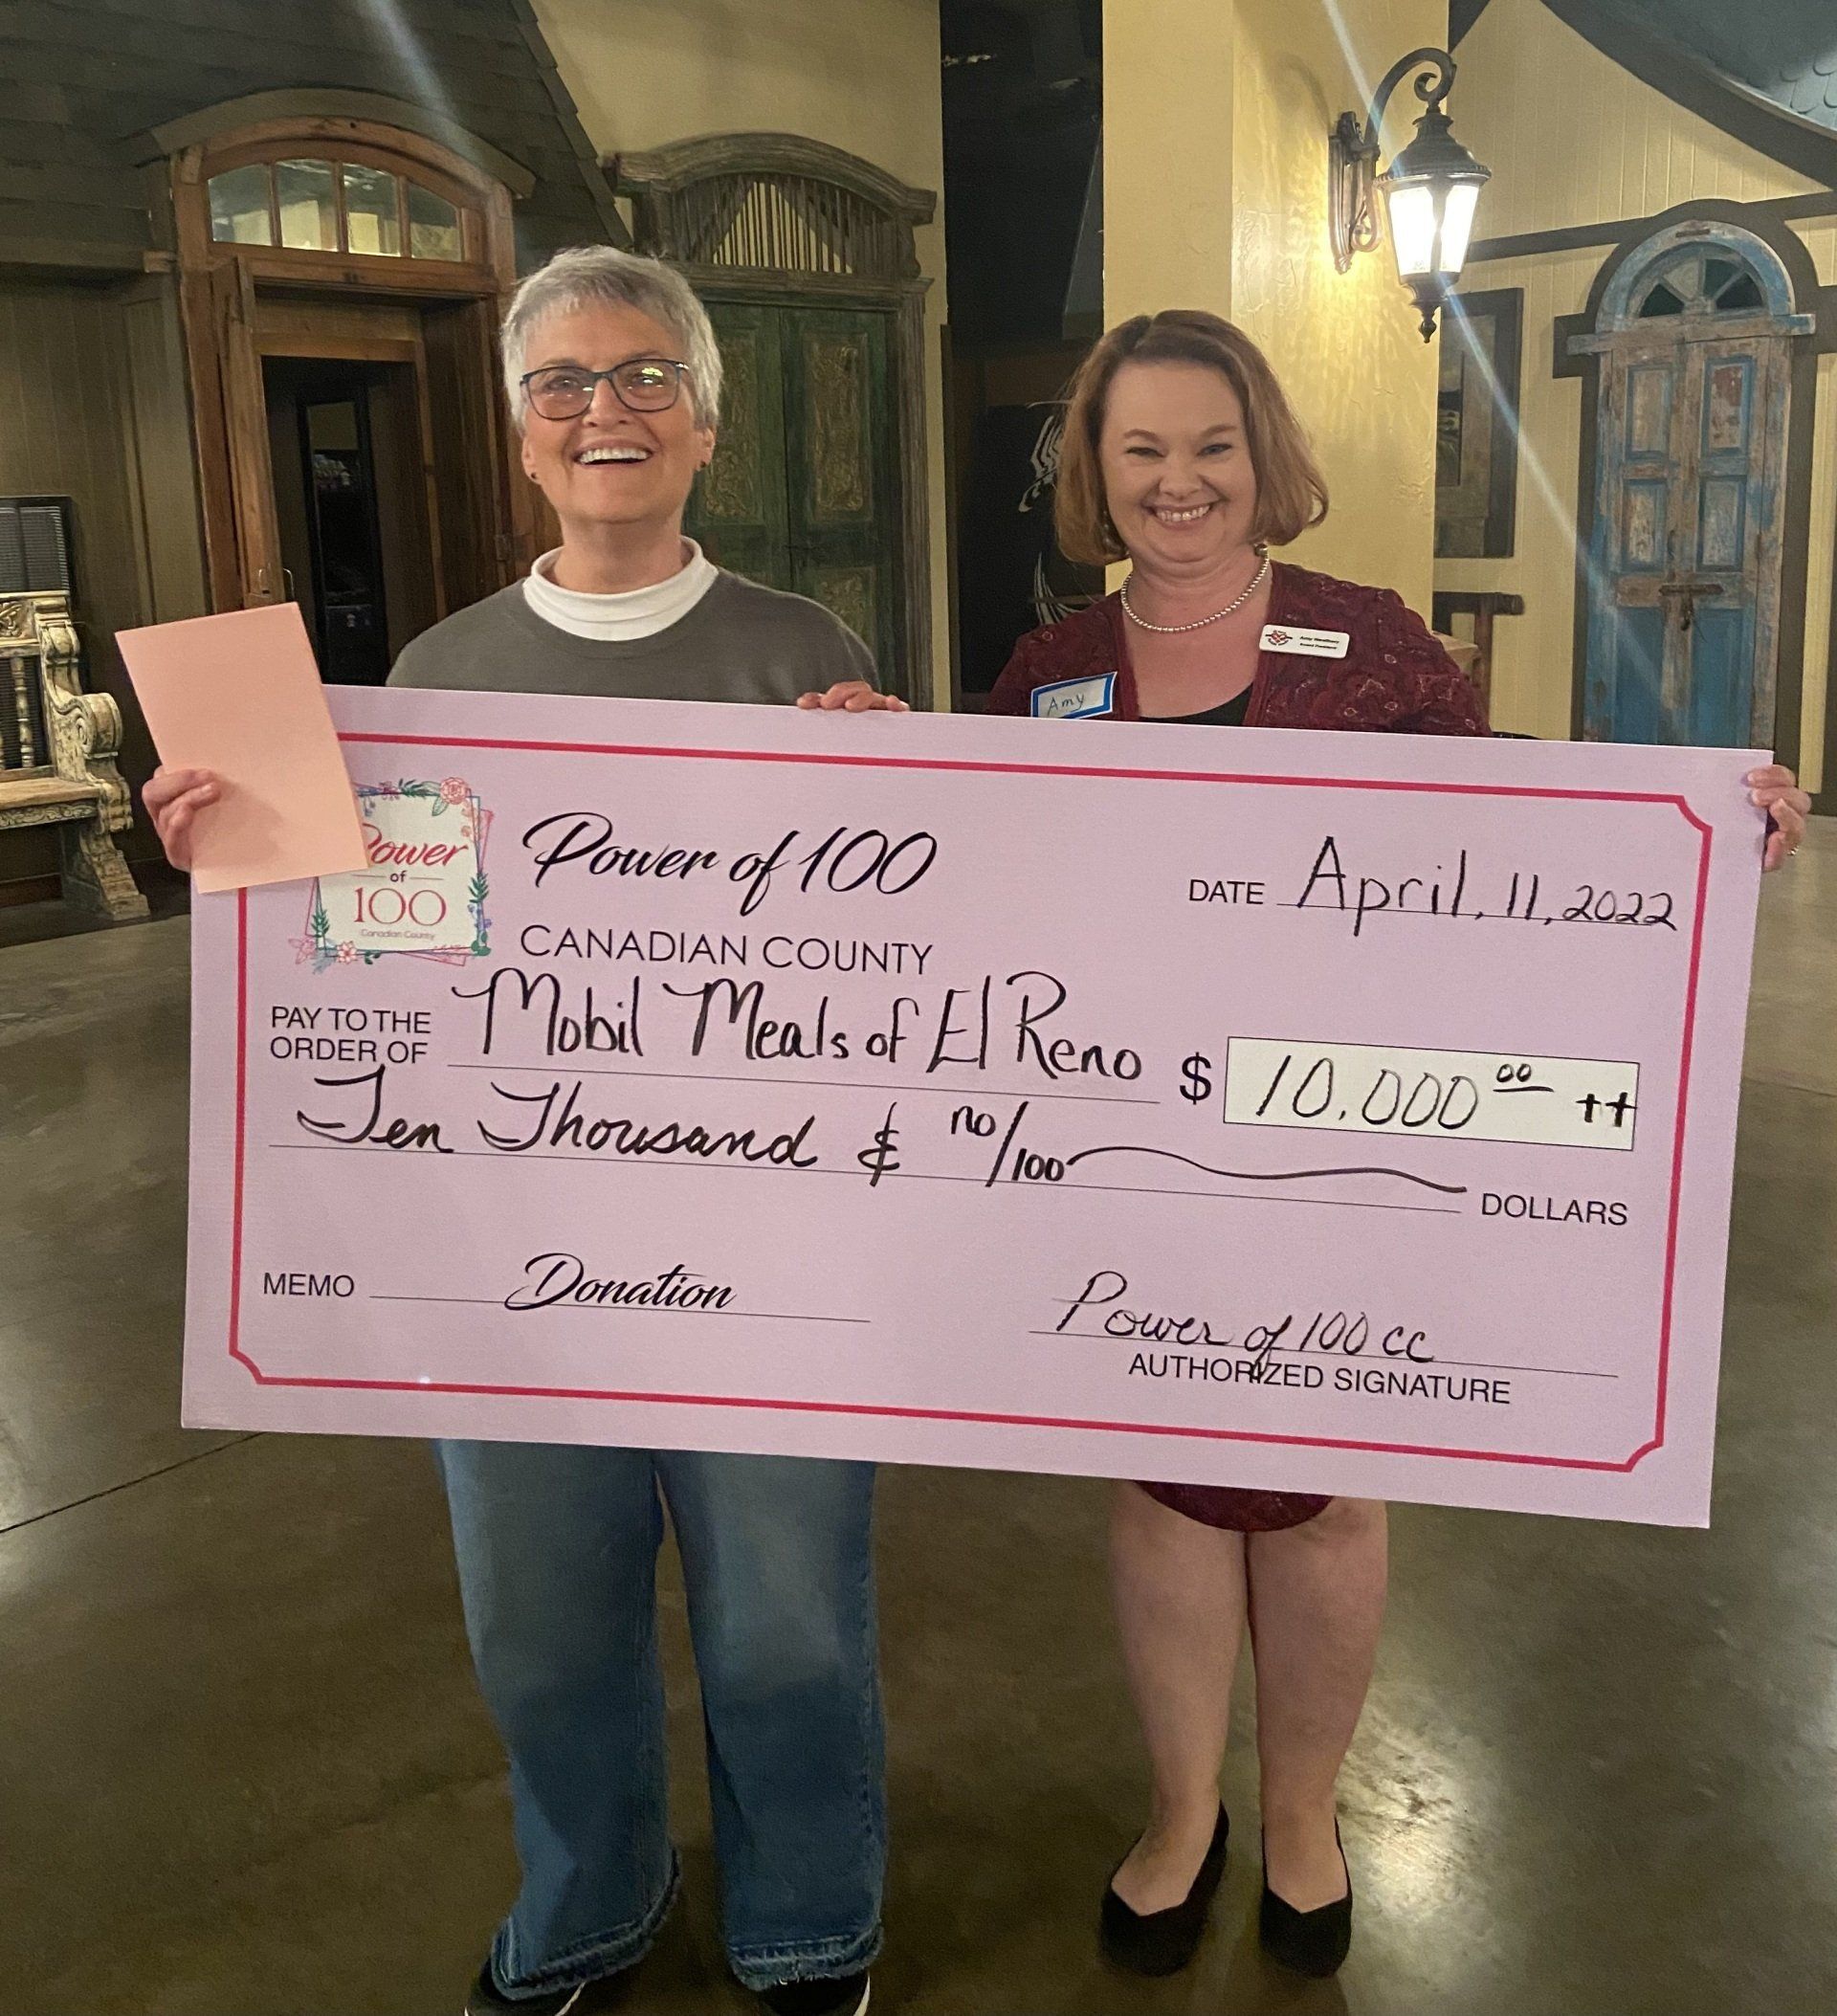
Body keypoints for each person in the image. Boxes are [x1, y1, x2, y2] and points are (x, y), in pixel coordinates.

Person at [986, 308, 1810, 1982]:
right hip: (1126, 1149)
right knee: (1161, 1492)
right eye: (1140, 449)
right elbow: (964, 877)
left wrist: (1713, 824)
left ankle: (1302, 1813)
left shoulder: (1373, 648)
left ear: (1262, 456)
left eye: (1210, 444)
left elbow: (1524, 835)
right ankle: (1180, 1816)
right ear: (1096, 472)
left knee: (1323, 1495)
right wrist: (831, 764)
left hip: (1341, 1146)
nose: (1179, 479)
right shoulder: (1050, 671)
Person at [144, 245, 906, 2016]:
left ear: (706, 421)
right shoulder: (436, 668)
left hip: (766, 1253)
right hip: (518, 1274)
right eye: (560, 385)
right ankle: (588, 1906)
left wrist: (898, 779)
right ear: (522, 439)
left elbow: (890, 961)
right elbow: (395, 970)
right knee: (546, 1633)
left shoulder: (809, 654)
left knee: (787, 1627)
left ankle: (808, 1922)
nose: (604, 411)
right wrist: (236, 866)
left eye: (643, 375)